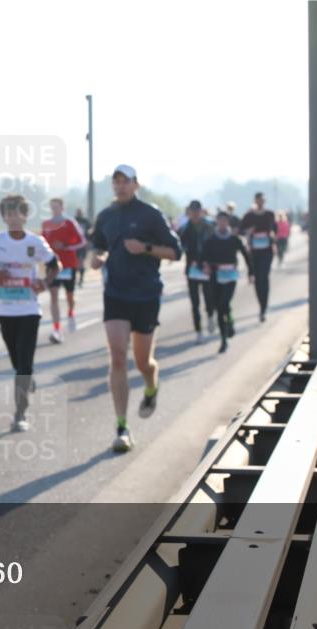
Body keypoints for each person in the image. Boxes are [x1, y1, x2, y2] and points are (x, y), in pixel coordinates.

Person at [91, 164, 182, 453]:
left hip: (145, 295)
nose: (120, 186)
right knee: (118, 356)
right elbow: (99, 246)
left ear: (136, 185)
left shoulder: (150, 214)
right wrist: (98, 258)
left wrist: (144, 248)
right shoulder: (105, 215)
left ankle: (151, 386)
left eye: (125, 182)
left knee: (143, 362)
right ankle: (122, 427)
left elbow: (176, 252)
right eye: (116, 182)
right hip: (115, 293)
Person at [0, 194, 60, 432]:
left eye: (17, 213)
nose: (13, 218)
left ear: (25, 215)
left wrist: (45, 282)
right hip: (5, 310)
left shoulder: (36, 242)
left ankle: (20, 413)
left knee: (24, 363)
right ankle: (27, 377)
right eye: (8, 214)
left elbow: (55, 264)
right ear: (3, 217)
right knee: (16, 361)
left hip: (30, 309)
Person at [203, 211, 254, 353]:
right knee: (219, 307)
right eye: (220, 221)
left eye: (225, 221)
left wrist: (251, 272)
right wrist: (205, 265)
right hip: (215, 275)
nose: (222, 224)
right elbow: (203, 256)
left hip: (230, 275)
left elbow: (246, 255)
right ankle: (223, 339)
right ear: (217, 222)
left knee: (224, 302)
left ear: (228, 222)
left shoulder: (234, 239)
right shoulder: (211, 239)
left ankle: (230, 321)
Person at [41, 197, 87, 343]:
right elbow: (42, 243)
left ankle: (71, 312)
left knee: (69, 296)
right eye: (52, 207)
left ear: (62, 208)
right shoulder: (46, 224)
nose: (54, 209)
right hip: (53, 265)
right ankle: (57, 329)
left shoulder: (70, 223)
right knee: (53, 296)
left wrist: (66, 246)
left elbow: (82, 241)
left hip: (68, 264)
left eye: (56, 207)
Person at [178, 200, 216, 341]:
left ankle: (211, 316)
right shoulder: (184, 229)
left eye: (197, 211)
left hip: (206, 268)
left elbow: (215, 246)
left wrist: (210, 263)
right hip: (192, 269)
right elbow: (179, 247)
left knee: (208, 298)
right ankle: (198, 330)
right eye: (192, 211)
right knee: (195, 303)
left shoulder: (210, 227)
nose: (194, 214)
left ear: (201, 211)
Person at [239, 192, 278, 322]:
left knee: (264, 276)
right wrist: (248, 231)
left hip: (267, 250)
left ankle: (264, 307)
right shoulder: (249, 215)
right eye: (258, 200)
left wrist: (273, 238)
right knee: (257, 278)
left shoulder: (270, 214)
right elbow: (241, 229)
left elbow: (275, 229)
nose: (260, 202)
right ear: (255, 201)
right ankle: (261, 304)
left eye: (262, 200)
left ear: (264, 201)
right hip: (254, 251)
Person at [73, 207, 92, 287]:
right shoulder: (73, 221)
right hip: (74, 245)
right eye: (78, 212)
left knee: (81, 262)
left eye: (80, 212)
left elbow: (90, 232)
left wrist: (89, 241)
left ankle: (81, 279)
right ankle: (74, 279)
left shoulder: (86, 221)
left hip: (83, 245)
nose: (79, 213)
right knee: (74, 262)